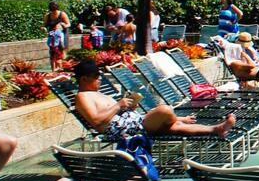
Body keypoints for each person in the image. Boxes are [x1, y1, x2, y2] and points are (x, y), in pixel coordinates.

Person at [72, 59, 236, 140]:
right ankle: (206, 126)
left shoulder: (98, 93)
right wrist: (119, 105)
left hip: (133, 123)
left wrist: (127, 107)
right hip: (120, 131)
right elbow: (95, 120)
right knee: (165, 110)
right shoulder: (82, 97)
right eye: (96, 77)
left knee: (172, 126)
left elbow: (112, 111)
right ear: (84, 79)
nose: (99, 79)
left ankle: (216, 129)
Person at [45, 0, 70, 69]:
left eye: (55, 10)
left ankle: (63, 67)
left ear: (57, 9)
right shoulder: (48, 16)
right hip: (52, 34)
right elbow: (44, 25)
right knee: (52, 51)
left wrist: (63, 25)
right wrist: (44, 28)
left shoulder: (62, 14)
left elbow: (68, 24)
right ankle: (53, 69)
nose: (54, 12)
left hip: (62, 33)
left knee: (62, 49)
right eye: (52, 11)